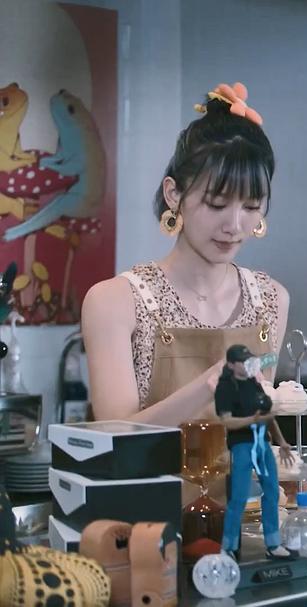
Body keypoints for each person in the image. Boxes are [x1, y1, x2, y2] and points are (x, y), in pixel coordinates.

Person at [82, 81, 291, 428]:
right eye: (217, 204)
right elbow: (115, 434)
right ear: (174, 194)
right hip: (151, 468)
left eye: (251, 206)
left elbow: (254, 419)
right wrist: (208, 384)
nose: (234, 225)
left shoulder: (271, 299)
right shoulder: (114, 302)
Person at [215, 344, 292, 560]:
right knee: (239, 497)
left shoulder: (253, 383)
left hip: (263, 444)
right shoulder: (226, 388)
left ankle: (273, 543)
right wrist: (251, 420)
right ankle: (228, 546)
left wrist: (282, 441)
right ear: (232, 365)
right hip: (242, 445)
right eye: (243, 362)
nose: (248, 365)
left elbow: (268, 416)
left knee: (272, 492)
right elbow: (226, 421)